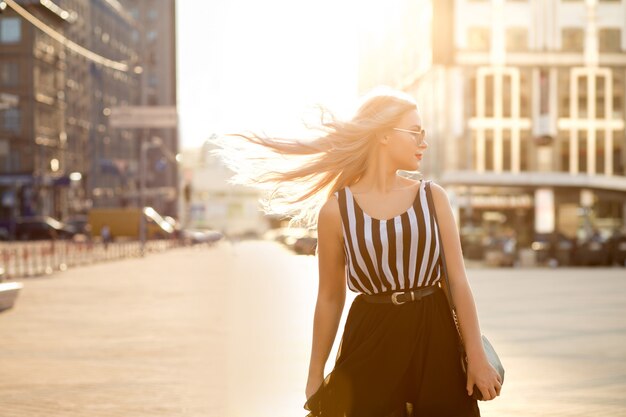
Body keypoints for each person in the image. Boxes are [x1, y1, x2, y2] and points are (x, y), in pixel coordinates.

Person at [210, 87, 502, 416]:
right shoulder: (336, 211)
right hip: (371, 333)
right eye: (415, 131)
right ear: (384, 136)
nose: (424, 142)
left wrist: (475, 354)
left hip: (435, 331)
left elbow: (457, 281)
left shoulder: (433, 197)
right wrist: (314, 374)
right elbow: (330, 298)